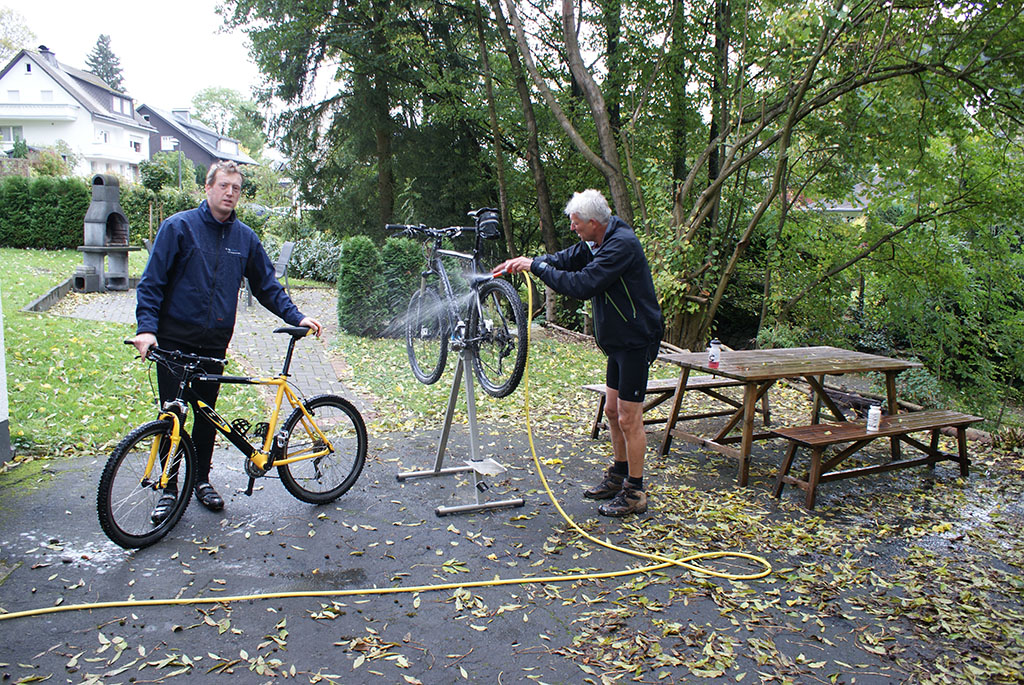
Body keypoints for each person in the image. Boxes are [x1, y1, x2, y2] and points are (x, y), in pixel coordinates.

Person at [131, 160, 322, 522]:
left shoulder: (245, 239)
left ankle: (201, 481)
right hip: (173, 342)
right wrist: (146, 329)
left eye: (236, 188)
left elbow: (267, 286)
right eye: (224, 186)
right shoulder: (178, 228)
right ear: (208, 188)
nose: (230, 193)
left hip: (214, 345)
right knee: (172, 416)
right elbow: (152, 283)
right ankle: (169, 490)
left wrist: (296, 316)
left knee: (206, 418)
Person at [493, 189, 662, 517]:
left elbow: (582, 284)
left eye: (576, 223)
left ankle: (635, 492)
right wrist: (529, 263)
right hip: (617, 343)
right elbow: (566, 259)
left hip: (635, 341)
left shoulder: (620, 245)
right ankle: (619, 475)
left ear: (594, 222)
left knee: (629, 417)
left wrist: (537, 268)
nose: (573, 228)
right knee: (612, 412)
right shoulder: (597, 241)